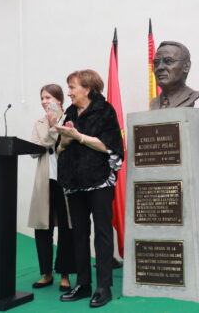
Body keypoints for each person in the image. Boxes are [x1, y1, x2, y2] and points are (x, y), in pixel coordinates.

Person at [55, 70, 123, 308]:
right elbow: (60, 147)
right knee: (79, 234)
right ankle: (83, 284)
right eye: (69, 87)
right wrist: (65, 137)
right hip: (74, 182)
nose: (69, 92)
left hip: (99, 180)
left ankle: (103, 287)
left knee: (102, 234)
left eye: (73, 87)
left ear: (88, 88)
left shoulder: (105, 111)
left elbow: (110, 146)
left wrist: (78, 136)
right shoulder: (70, 112)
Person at [28, 84, 74, 291]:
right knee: (43, 228)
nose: (44, 101)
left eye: (48, 97)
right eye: (42, 98)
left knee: (66, 227)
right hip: (44, 180)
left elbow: (71, 142)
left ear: (59, 100)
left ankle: (64, 274)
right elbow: (34, 150)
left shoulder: (71, 118)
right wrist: (53, 129)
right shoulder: (39, 123)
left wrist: (57, 126)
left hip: (65, 181)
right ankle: (46, 273)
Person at [149, 41, 199, 109]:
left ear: (186, 67)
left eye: (168, 61)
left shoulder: (191, 96)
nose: (160, 67)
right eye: (156, 63)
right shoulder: (154, 102)